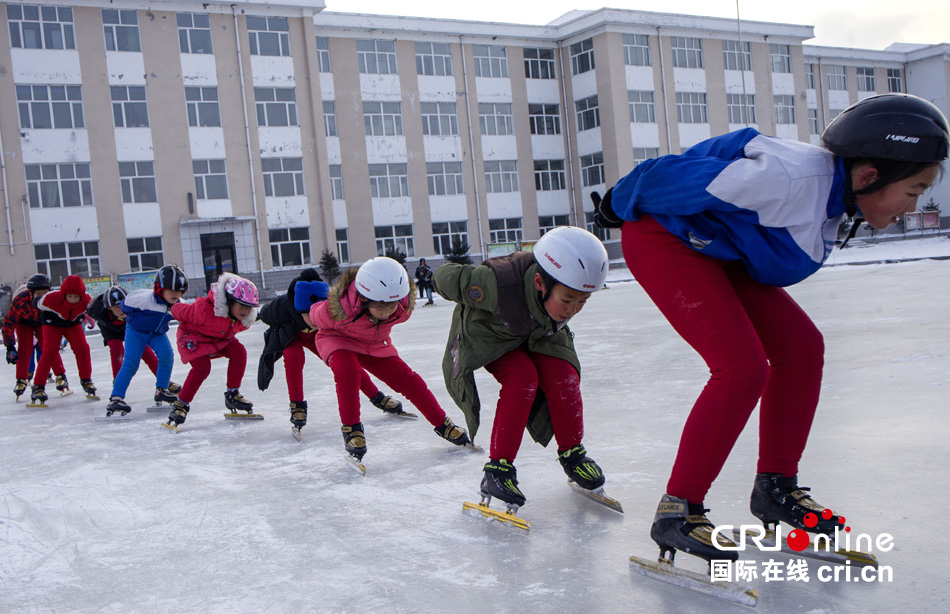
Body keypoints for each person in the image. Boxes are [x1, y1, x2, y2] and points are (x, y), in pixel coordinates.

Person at [591, 93, 948, 563]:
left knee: (801, 348)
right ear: (868, 176)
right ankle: (678, 511)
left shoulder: (834, 198)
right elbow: (669, 176)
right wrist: (617, 203)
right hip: (665, 238)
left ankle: (776, 488)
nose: (915, 203)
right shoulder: (784, 177)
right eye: (914, 190)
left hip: (718, 248)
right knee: (741, 368)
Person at [434, 226, 611, 510]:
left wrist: (564, 304)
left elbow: (559, 323)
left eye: (582, 302)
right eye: (567, 300)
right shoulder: (495, 282)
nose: (573, 310)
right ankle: (498, 470)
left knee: (564, 376)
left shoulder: (558, 297)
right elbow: (443, 276)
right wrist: (465, 289)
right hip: (491, 335)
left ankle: (573, 455)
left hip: (534, 334)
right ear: (540, 282)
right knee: (523, 377)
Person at [311, 257, 471, 463]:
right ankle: (352, 430)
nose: (387, 314)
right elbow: (315, 315)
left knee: (409, 380)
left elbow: (391, 309)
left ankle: (443, 424)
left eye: (391, 307)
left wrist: (387, 310)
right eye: (380, 308)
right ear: (364, 298)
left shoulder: (403, 309)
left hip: (374, 345)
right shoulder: (340, 308)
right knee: (347, 372)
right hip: (338, 340)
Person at [257, 268, 407, 438]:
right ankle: (297, 406)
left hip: (316, 336)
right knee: (293, 356)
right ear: (298, 310)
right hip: (291, 335)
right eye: (308, 314)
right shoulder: (280, 308)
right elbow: (264, 313)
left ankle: (377, 397)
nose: (313, 318)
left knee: (346, 365)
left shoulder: (327, 312)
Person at [165, 273, 259, 430]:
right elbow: (180, 310)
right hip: (194, 339)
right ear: (228, 302)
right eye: (241, 305)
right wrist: (172, 308)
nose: (245, 311)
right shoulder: (204, 310)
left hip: (219, 340)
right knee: (202, 368)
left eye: (249, 307)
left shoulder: (242, 319)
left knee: (239, 351)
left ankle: (232, 394)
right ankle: (181, 404)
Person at [105, 266, 186, 417]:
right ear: (160, 288)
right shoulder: (142, 299)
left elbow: (190, 317)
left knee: (167, 355)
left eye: (179, 291)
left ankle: (161, 390)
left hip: (156, 333)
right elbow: (124, 306)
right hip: (136, 332)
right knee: (131, 363)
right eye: (171, 290)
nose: (176, 294)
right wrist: (135, 319)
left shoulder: (180, 304)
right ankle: (116, 398)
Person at [88, 285, 181, 393]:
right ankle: (118, 381)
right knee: (116, 350)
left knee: (146, 352)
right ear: (109, 308)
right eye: (117, 307)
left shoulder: (133, 307)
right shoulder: (100, 311)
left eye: (122, 305)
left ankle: (164, 381)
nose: (121, 309)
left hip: (131, 327)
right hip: (111, 331)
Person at [30, 275, 96, 404]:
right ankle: (38, 387)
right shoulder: (50, 299)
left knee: (82, 348)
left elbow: (94, 310)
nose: (72, 300)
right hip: (51, 323)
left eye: (76, 297)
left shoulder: (86, 300)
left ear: (81, 296)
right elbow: (35, 303)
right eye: (69, 296)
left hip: (72, 324)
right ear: (63, 294)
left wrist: (90, 318)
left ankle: (86, 380)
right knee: (50, 351)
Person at [3, 274, 66, 399]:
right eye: (38, 294)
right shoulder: (20, 301)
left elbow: (62, 317)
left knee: (49, 348)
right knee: (25, 348)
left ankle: (60, 375)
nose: (42, 297)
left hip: (43, 322)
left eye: (45, 293)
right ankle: (21, 379)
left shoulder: (53, 299)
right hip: (24, 322)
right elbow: (9, 322)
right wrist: (10, 346)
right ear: (30, 293)